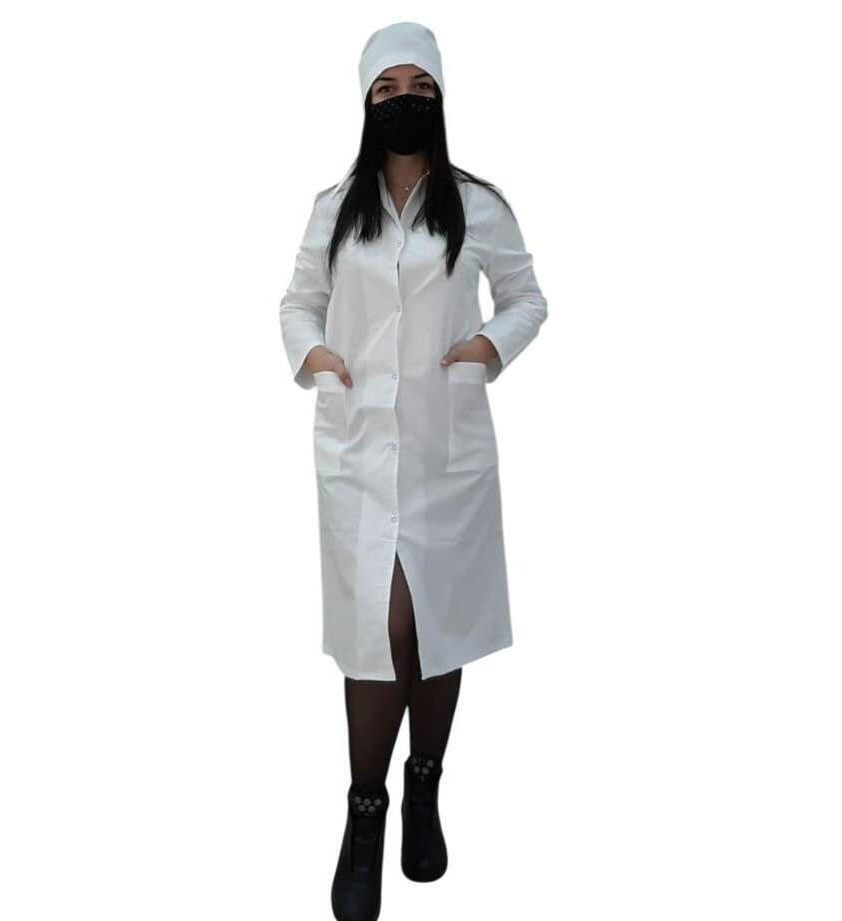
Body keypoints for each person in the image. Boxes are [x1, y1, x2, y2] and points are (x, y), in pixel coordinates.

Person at [278, 21, 548, 921]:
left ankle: (423, 785)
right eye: (387, 88)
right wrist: (315, 356)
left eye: (419, 87)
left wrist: (488, 346)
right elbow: (298, 302)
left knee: (437, 629)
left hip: (445, 452)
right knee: (381, 628)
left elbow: (526, 297)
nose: (405, 101)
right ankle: (366, 814)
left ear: (440, 98)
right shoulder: (334, 208)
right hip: (357, 451)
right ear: (366, 103)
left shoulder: (476, 205)